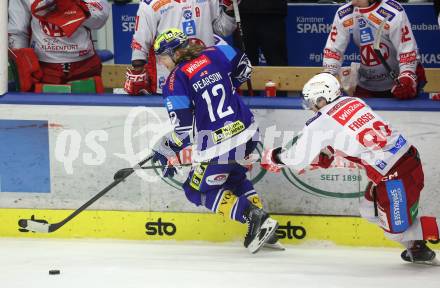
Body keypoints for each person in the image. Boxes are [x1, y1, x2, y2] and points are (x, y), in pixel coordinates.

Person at [261, 73, 440, 264]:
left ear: (323, 98)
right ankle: (417, 249)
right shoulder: (354, 101)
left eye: (312, 101)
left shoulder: (320, 121)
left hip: (395, 176)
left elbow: (297, 159)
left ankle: (417, 245)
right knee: (368, 209)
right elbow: (349, 139)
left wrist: (274, 157)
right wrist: (326, 155)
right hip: (404, 161)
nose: (311, 107)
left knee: (396, 231)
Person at [150, 28, 280, 253]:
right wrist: (229, 87)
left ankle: (253, 216)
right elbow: (245, 66)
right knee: (234, 178)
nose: (161, 63)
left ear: (174, 53)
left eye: (162, 57)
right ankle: (265, 225)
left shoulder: (174, 81)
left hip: (218, 145)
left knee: (196, 190)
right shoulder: (214, 53)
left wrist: (165, 147)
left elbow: (181, 130)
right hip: (247, 131)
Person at [124, 0, 238, 95]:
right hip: (168, 80)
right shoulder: (151, 3)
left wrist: (230, 10)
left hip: (206, 76)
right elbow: (140, 40)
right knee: (171, 120)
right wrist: (137, 68)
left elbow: (222, 29)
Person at [323, 0, 426, 99]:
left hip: (398, 81)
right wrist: (328, 75)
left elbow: (406, 49)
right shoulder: (343, 14)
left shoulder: (393, 11)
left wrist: (407, 74)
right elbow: (333, 50)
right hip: (366, 84)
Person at [8, 0, 110, 92]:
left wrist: (72, 6)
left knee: (91, 111)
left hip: (84, 67)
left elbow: (100, 20)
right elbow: (17, 31)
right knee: (43, 112)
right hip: (43, 70)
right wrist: (21, 62)